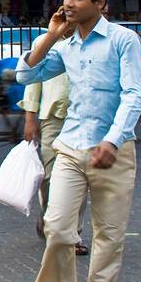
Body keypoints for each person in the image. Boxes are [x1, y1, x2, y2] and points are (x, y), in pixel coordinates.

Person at [17, 0, 141, 282]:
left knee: (109, 236)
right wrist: (52, 35)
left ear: (101, 3)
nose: (68, 3)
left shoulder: (124, 40)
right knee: (57, 228)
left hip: (114, 151)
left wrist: (113, 139)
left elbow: (133, 95)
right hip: (71, 148)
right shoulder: (66, 43)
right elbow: (26, 74)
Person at [21, 32, 89, 256]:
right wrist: (30, 119)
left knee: (79, 179)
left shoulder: (93, 43)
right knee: (51, 178)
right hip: (52, 117)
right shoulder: (46, 42)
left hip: (84, 119)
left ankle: (72, 235)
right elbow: (32, 80)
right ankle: (49, 217)